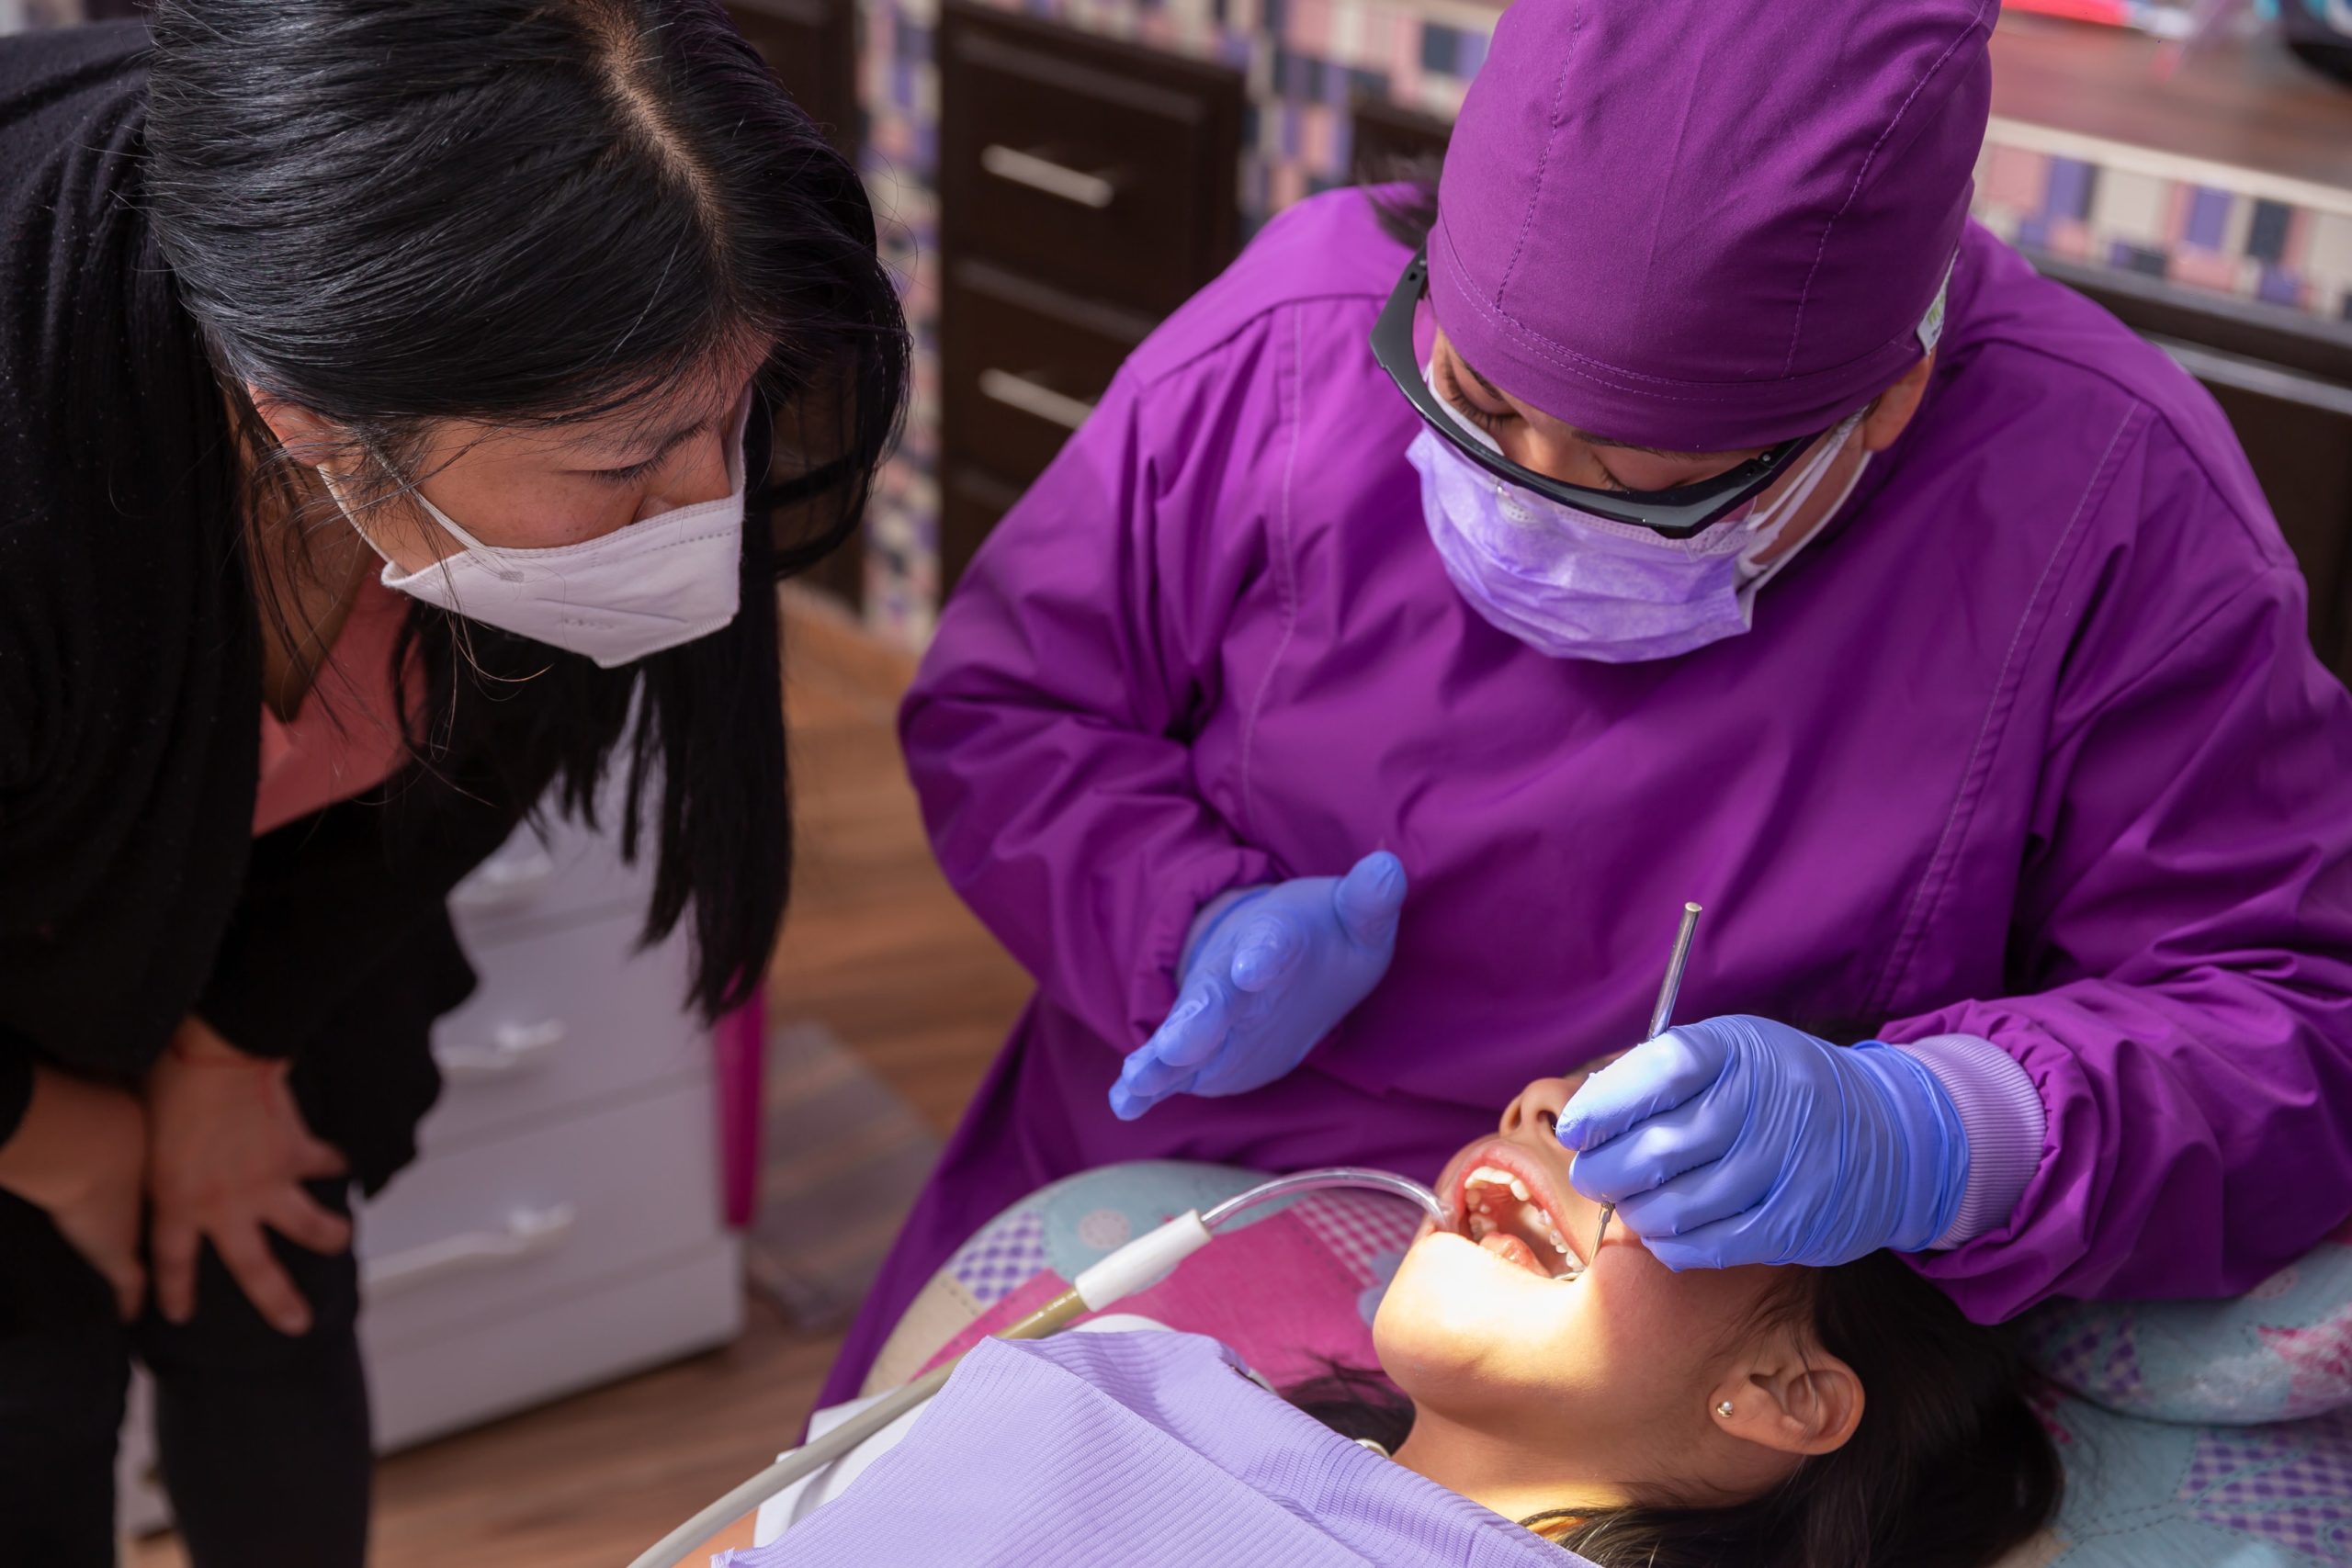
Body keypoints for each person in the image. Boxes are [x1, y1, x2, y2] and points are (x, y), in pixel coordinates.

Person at [823, 0, 2352, 1409]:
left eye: (1639, 484)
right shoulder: (1295, 325)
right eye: (1474, 405)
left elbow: (2290, 1014)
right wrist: (1174, 918)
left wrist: (1947, 1129)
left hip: (1663, 1308)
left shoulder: (2109, 506)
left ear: (1887, 400)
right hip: (1182, 1172)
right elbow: (1008, 707)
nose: (1523, 499)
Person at [0, 4, 907, 1563]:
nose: (712, 506)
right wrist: (48, 1128)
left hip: (262, 921)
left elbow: (480, 753)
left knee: (267, 1272)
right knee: (30, 1378)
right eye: (628, 467)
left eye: (736, 416)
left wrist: (229, 1056)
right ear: (314, 429)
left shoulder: (590, 374)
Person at [756, 1073, 2060, 1567]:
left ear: (1785, 1395)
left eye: (1664, 1159)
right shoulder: (1115, 1373)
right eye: (1576, 1092)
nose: (1546, 1105)